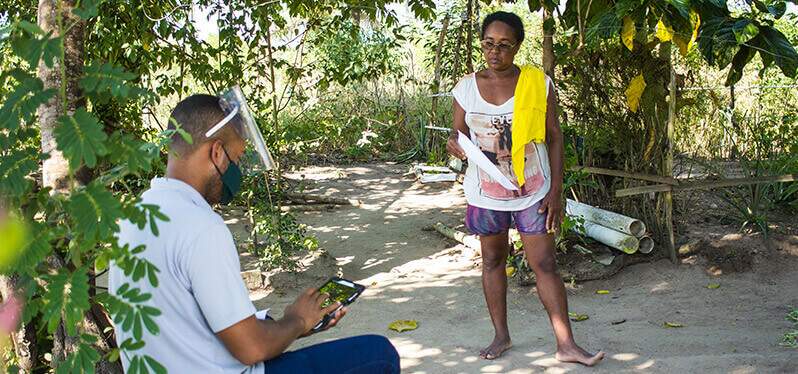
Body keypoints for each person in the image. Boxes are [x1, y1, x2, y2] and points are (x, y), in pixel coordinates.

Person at [109, 93, 400, 373]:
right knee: (378, 355)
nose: (237, 172)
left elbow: (193, 329)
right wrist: (297, 320)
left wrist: (288, 324)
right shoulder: (200, 226)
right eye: (235, 160)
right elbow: (250, 349)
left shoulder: (133, 217)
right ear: (217, 152)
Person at [446, 11, 604, 366]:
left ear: (517, 46)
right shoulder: (466, 88)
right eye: (488, 44)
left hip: (533, 190)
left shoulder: (538, 83)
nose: (494, 52)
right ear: (482, 44)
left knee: (544, 263)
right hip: (485, 193)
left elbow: (554, 137)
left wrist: (556, 191)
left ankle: (566, 344)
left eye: (504, 45)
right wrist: (454, 146)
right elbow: (457, 136)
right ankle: (501, 334)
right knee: (492, 260)